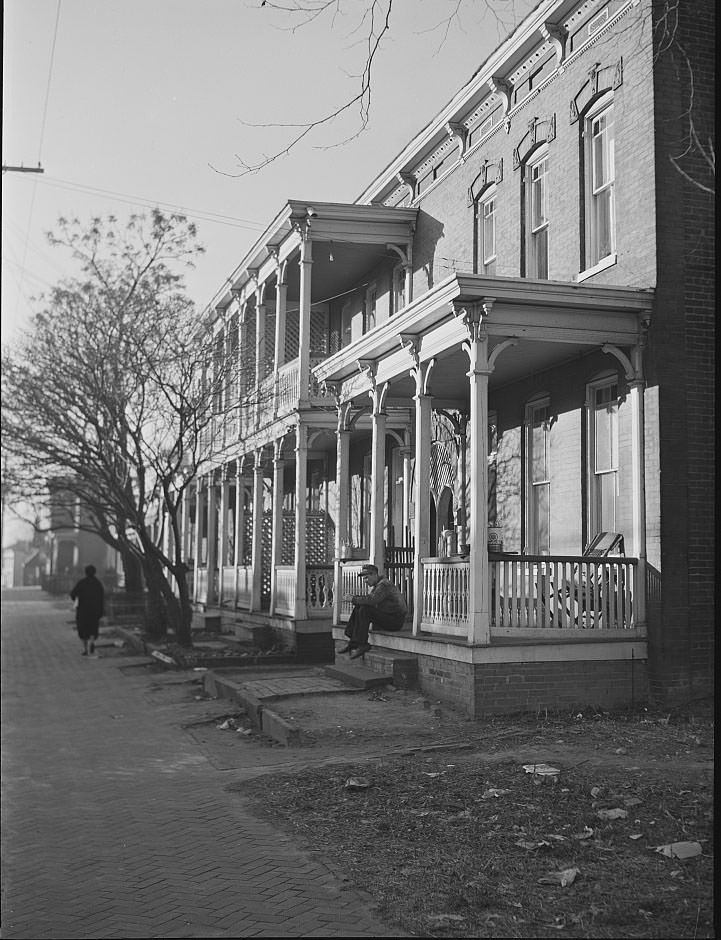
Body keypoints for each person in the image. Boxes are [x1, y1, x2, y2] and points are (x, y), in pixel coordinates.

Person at [339, 563, 407, 659]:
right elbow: (369, 599)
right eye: (364, 579)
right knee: (360, 607)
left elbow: (372, 600)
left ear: (374, 575)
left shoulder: (384, 585)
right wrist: (355, 598)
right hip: (388, 618)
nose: (365, 581)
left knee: (365, 609)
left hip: (395, 621)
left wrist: (353, 599)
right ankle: (353, 642)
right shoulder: (378, 585)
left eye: (366, 578)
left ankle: (362, 644)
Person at [70, 565, 105, 656]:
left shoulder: (82, 583)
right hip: (94, 610)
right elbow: (102, 598)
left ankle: (85, 649)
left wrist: (76, 600)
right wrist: (101, 611)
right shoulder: (98, 584)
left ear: (85, 572)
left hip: (83, 610)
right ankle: (92, 642)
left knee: (83, 629)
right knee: (93, 628)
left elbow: (73, 594)